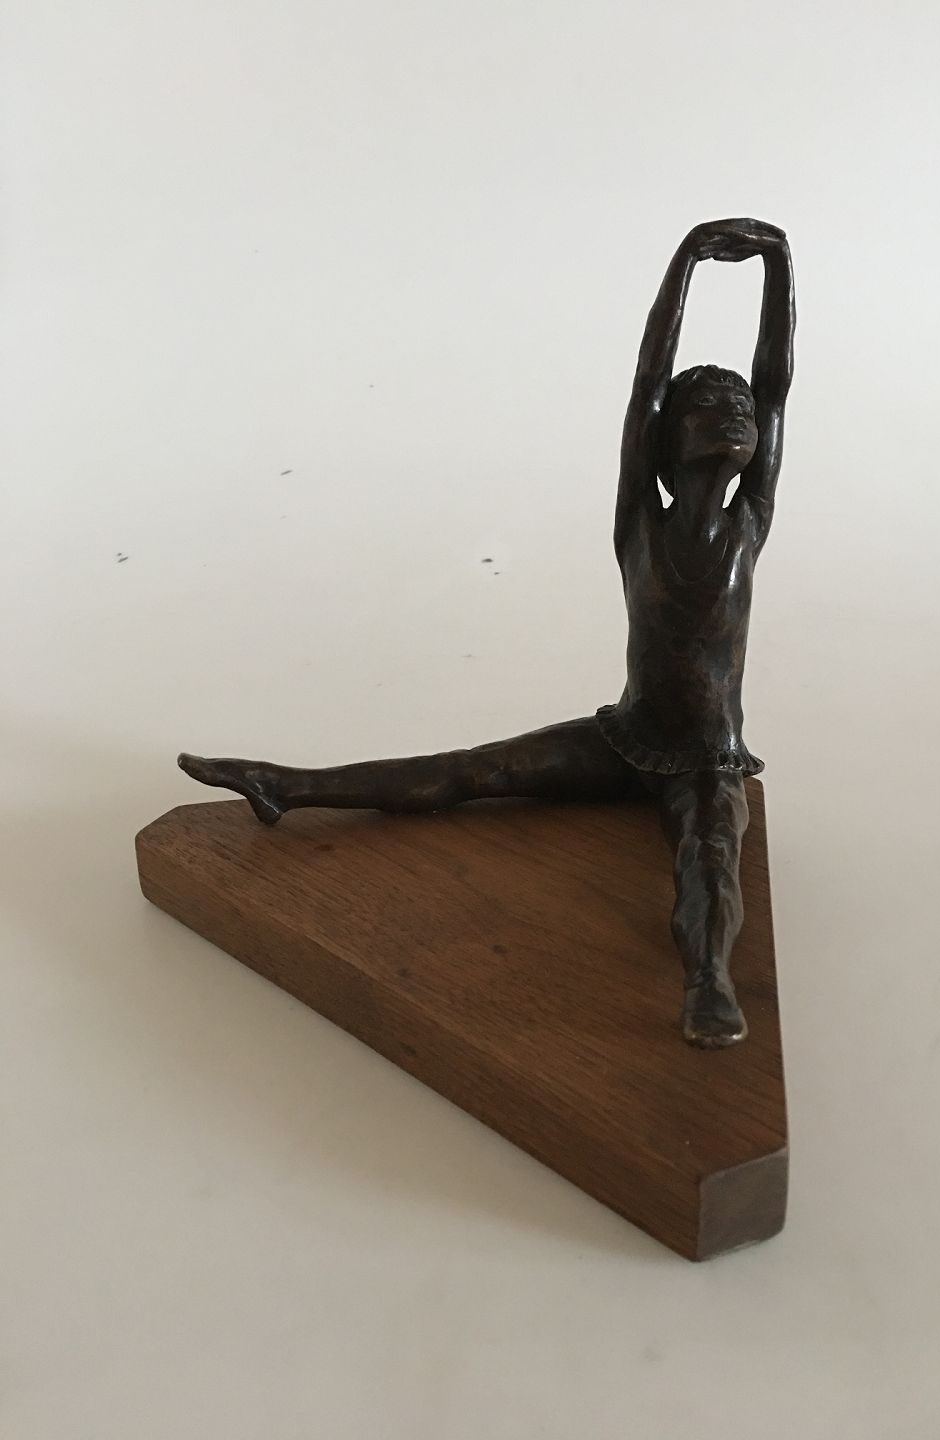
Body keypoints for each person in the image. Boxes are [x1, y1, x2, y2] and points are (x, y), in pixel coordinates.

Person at [179, 217, 796, 1048]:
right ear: (669, 437)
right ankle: (285, 784)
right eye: (711, 405)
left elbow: (776, 382)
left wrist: (778, 264)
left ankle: (709, 986)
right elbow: (648, 380)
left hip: (708, 754)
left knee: (711, 857)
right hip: (628, 736)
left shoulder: (749, 521)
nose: (737, 413)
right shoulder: (640, 523)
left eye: (741, 407)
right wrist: (686, 259)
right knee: (470, 770)